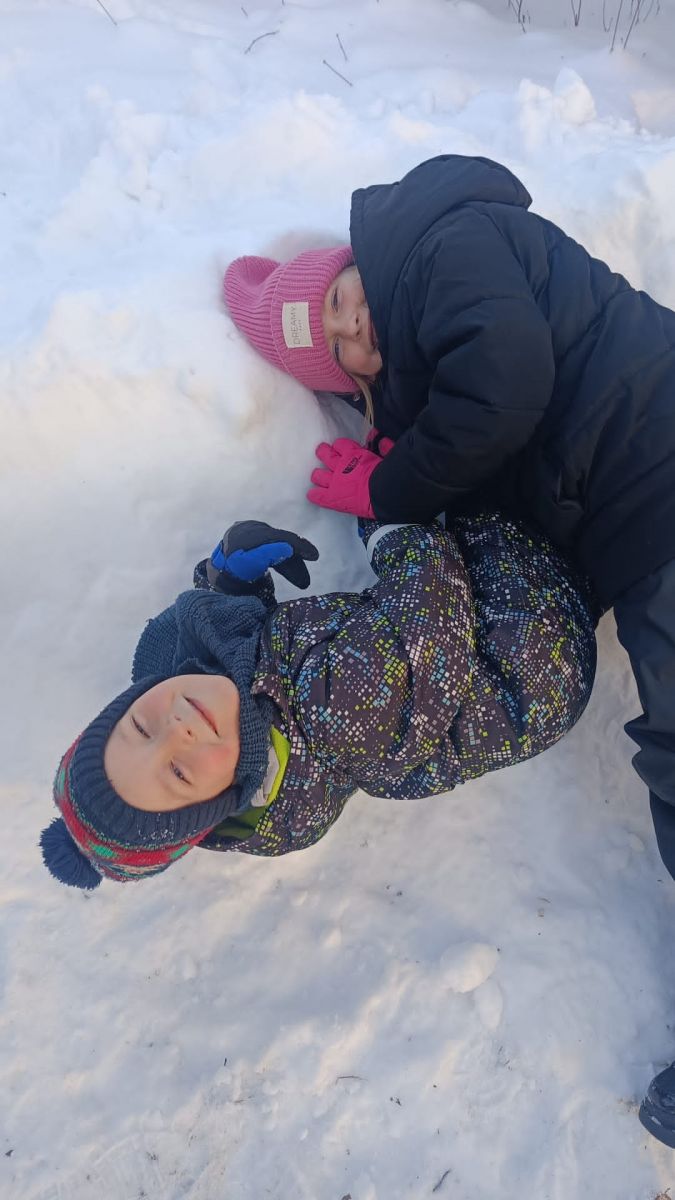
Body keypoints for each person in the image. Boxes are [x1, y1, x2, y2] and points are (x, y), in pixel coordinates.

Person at [223, 156, 675, 1144]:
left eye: (337, 302)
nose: (353, 331)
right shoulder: (430, 352)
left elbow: (505, 382)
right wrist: (403, 494)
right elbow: (507, 449)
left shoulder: (442, 242)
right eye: (339, 355)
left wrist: (391, 489)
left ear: (351, 264)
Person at [41, 509, 595, 895]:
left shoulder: (185, 684)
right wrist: (387, 521)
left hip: (438, 644)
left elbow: (222, 645)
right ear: (216, 804)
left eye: (140, 727)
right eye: (179, 773)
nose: (178, 727)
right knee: (455, 491)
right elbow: (430, 610)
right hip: (526, 648)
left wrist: (229, 581)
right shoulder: (337, 709)